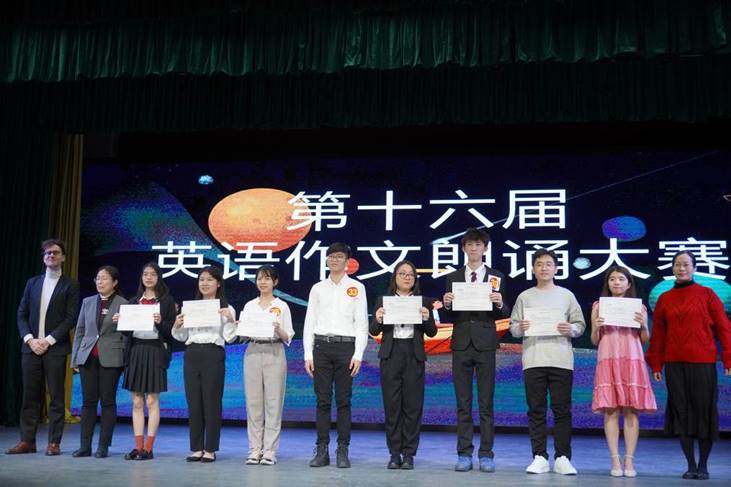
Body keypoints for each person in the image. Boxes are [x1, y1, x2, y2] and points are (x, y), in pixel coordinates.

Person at [645, 250, 731, 480]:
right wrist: (656, 364)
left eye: (686, 264)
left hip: (703, 362)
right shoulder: (665, 298)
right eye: (677, 264)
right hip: (674, 363)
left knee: (703, 412)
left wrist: (728, 357)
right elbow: (658, 335)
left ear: (694, 268)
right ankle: (691, 465)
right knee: (681, 412)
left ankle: (703, 465)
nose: (681, 268)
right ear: (672, 268)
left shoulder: (707, 294)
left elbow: (724, 327)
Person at [509, 249, 585, 475]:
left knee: (562, 410)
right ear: (533, 269)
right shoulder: (525, 296)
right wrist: (520, 327)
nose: (544, 268)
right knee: (536, 410)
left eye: (548, 264)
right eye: (539, 264)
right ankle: (539, 456)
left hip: (561, 359)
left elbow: (580, 325)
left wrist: (570, 328)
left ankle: (563, 457)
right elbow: (513, 328)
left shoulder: (566, 295)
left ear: (556, 268)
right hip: (534, 359)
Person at [441, 228, 510, 472]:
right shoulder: (453, 277)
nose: (474, 248)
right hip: (461, 343)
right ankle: (464, 454)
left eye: (478, 244)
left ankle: (486, 454)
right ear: (463, 248)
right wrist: (447, 304)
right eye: (469, 244)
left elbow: (504, 312)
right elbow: (450, 314)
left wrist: (499, 303)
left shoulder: (496, 276)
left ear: (485, 249)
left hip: (485, 344)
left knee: (485, 403)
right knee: (463, 402)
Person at [6, 239, 80, 456]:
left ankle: (54, 443)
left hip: (55, 348)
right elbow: (21, 314)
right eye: (47, 253)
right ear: (43, 257)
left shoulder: (70, 285)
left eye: (55, 253)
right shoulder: (33, 283)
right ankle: (27, 441)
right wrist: (30, 339)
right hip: (30, 348)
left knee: (56, 397)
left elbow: (70, 318)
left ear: (63, 257)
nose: (51, 256)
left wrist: (47, 340)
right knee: (29, 397)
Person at [303, 242, 368, 468]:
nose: (334, 260)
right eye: (331, 256)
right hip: (321, 347)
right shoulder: (318, 288)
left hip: (346, 348)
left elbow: (361, 323)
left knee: (343, 401)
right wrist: (308, 354)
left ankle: (342, 450)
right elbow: (309, 321)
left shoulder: (357, 287)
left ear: (347, 261)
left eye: (339, 256)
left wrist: (358, 354)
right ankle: (322, 450)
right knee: (322, 401)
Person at [370, 260, 437, 470]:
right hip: (391, 355)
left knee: (413, 406)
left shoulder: (422, 301)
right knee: (392, 406)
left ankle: (409, 454)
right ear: (395, 278)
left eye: (411, 274)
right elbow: (373, 330)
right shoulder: (384, 300)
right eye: (402, 274)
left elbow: (432, 332)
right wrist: (378, 319)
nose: (407, 277)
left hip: (413, 354)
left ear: (415, 279)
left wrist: (427, 318)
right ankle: (394, 453)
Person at [590, 266, 656, 477]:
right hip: (608, 359)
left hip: (631, 359)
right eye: (612, 279)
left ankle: (629, 461)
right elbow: (594, 340)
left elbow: (644, 339)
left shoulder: (638, 307)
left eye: (621, 279)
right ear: (607, 283)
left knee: (630, 410)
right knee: (610, 410)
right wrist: (596, 327)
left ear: (629, 284)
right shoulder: (599, 306)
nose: (616, 282)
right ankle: (615, 461)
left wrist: (644, 325)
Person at [172, 265, 237, 463]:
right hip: (192, 353)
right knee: (194, 402)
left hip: (213, 353)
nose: (205, 283)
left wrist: (230, 320)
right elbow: (181, 336)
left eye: (209, 280)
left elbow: (230, 337)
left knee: (212, 402)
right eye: (201, 280)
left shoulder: (226, 308)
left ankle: (210, 449)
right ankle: (196, 448)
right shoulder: (190, 307)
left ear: (218, 284)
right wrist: (177, 325)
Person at [116, 262, 176, 461]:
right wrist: (120, 322)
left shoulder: (166, 301)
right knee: (136, 401)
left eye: (153, 274)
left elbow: (171, 332)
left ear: (159, 277)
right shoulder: (134, 301)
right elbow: (127, 332)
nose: (148, 277)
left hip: (155, 350)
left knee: (152, 400)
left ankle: (149, 448)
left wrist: (160, 322)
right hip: (136, 350)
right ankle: (138, 446)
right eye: (145, 274)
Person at [238, 265, 295, 466]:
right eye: (260, 278)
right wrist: (239, 327)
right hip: (253, 350)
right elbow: (242, 336)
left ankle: (270, 450)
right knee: (253, 403)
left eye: (267, 278)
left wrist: (278, 329)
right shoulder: (250, 306)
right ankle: (254, 449)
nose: (263, 282)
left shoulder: (282, 306)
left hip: (274, 350)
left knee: (273, 402)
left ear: (275, 282)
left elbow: (288, 337)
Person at [70, 265, 128, 458]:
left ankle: (103, 446)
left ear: (114, 282)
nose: (100, 282)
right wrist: (75, 358)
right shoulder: (87, 302)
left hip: (111, 358)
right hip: (87, 358)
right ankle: (84, 446)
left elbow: (127, 334)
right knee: (88, 402)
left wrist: (125, 360)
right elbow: (80, 331)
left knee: (108, 401)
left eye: (104, 278)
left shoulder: (123, 304)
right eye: (98, 278)